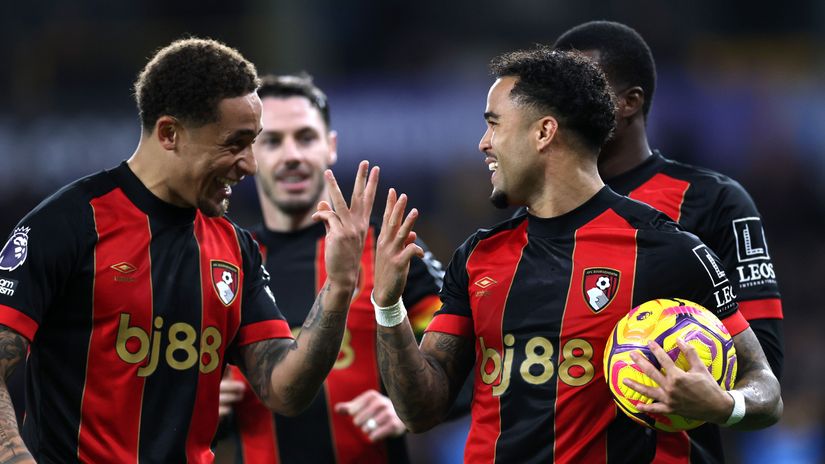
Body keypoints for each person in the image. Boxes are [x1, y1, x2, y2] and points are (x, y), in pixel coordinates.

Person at [370, 46, 782, 463]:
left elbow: (765, 388)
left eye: (494, 125)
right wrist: (388, 306)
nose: (483, 144)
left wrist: (724, 406)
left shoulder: (670, 251)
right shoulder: (478, 256)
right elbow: (420, 411)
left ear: (544, 132)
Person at [0, 38, 381, 463]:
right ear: (169, 133)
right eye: (235, 143)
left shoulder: (235, 248)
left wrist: (340, 284)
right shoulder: (67, 224)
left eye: (254, 142)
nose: (252, 164)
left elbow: (284, 389)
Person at [552, 20, 784, 462]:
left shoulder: (713, 202)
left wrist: (716, 398)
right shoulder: (539, 212)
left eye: (579, 88)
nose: (561, 106)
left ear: (628, 102)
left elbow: (764, 370)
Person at [215, 74, 444, 463]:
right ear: (250, 155)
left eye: (305, 137)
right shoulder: (225, 261)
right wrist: (200, 406)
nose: (292, 155)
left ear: (330, 146)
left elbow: (462, 361)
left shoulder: (388, 247)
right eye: (272, 141)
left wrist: (408, 407)